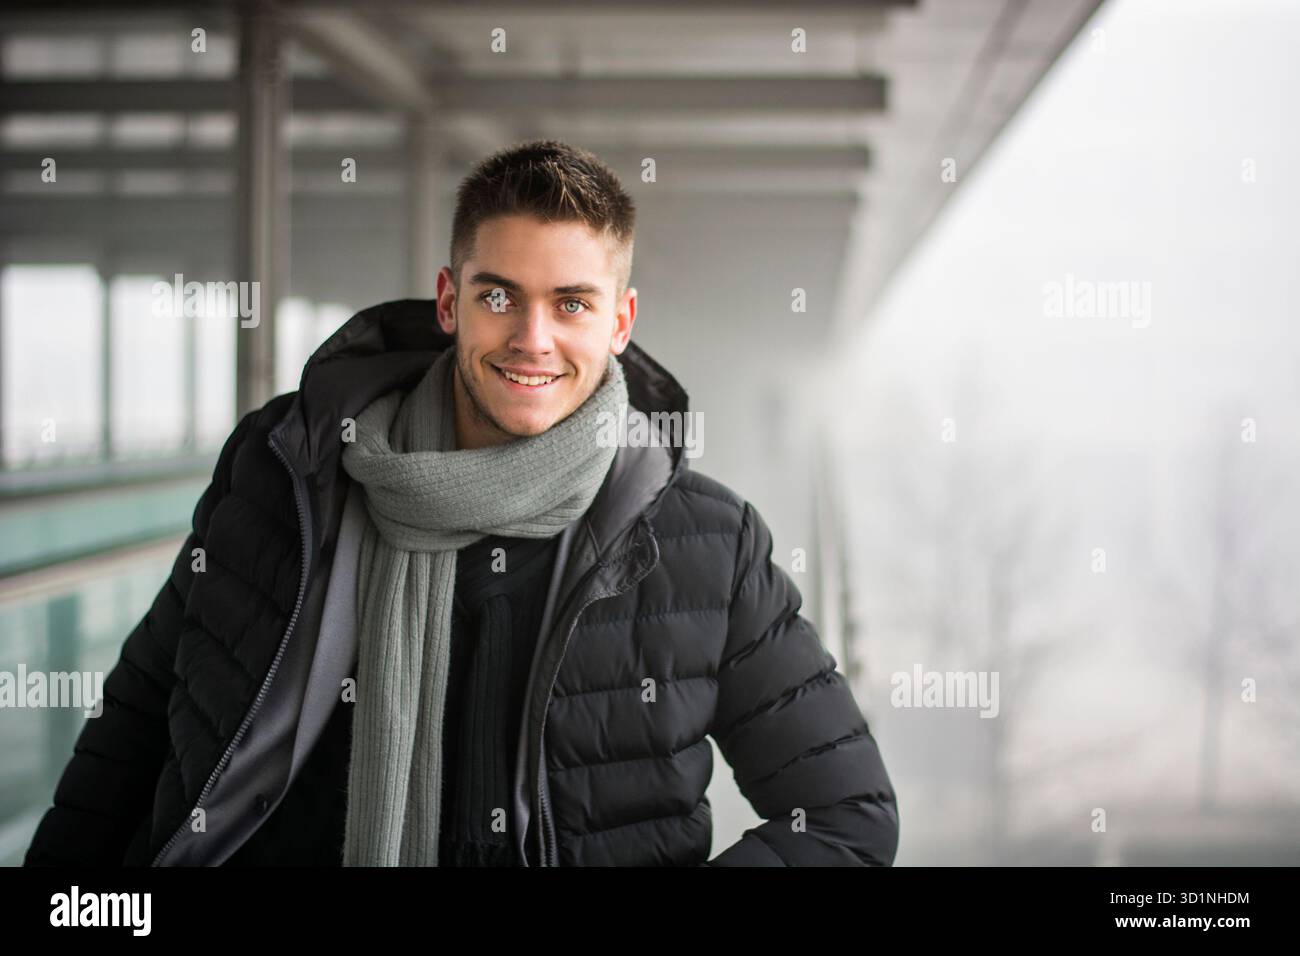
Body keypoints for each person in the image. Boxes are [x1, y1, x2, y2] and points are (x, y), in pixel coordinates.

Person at [25, 140, 898, 867]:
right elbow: (142, 713)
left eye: (572, 304)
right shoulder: (285, 470)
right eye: (499, 296)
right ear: (451, 301)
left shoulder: (706, 540)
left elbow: (845, 814)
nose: (533, 338)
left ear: (620, 322)